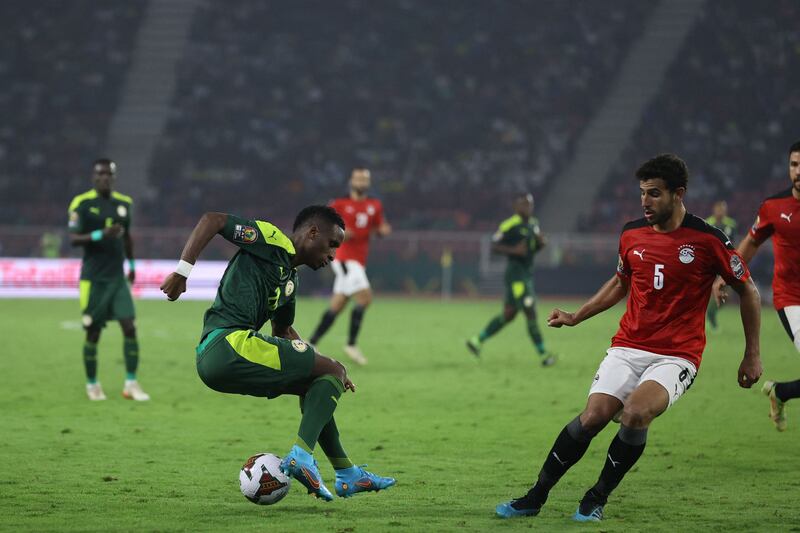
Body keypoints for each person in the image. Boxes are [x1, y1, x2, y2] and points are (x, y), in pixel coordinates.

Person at [496, 154, 762, 521]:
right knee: (593, 417)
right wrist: (576, 317)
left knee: (635, 413)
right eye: (642, 193)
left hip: (677, 355)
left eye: (654, 194)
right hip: (627, 346)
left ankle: (596, 498)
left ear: (678, 194)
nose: (645, 202)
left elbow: (748, 290)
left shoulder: (708, 239)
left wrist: (752, 354)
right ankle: (535, 496)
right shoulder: (631, 233)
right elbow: (620, 282)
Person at [160, 206, 395, 500]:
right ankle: (301, 457)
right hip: (227, 344)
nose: (334, 255)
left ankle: (347, 473)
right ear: (312, 233)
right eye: (332, 244)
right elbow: (213, 220)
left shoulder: (290, 281)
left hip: (222, 360)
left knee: (318, 383)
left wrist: (325, 366)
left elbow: (283, 332)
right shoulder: (271, 240)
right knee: (332, 371)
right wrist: (183, 271)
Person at [714, 140, 800, 432]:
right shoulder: (774, 207)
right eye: (794, 165)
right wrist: (726, 277)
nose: (798, 171)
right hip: (792, 299)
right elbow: (750, 243)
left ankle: (781, 392)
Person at [67, 159, 149, 401]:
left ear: (114, 177)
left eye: (108, 174)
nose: (104, 178)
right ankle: (92, 384)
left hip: (117, 278)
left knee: (130, 328)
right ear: (93, 177)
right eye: (100, 174)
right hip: (93, 279)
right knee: (93, 333)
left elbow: (127, 238)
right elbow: (73, 239)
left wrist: (132, 265)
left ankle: (131, 384)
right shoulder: (81, 203)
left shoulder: (124, 204)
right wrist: (99, 234)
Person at [308, 168, 391, 365]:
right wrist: (340, 232)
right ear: (351, 181)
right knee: (365, 298)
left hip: (359, 260)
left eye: (365, 179)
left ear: (368, 183)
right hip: (344, 258)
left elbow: (380, 227)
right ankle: (351, 344)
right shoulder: (339, 204)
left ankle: (310, 343)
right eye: (358, 178)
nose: (361, 182)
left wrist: (383, 230)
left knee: (338, 305)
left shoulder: (374, 205)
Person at [466, 193, 555, 366]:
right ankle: (544, 355)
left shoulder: (533, 224)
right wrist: (514, 251)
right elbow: (494, 245)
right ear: (516, 207)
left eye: (530, 204)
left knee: (509, 315)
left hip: (526, 274)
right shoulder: (509, 225)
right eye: (524, 204)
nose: (528, 207)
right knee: (530, 311)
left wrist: (540, 244)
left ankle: (476, 341)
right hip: (517, 278)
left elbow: (532, 248)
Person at [704, 200, 737, 330]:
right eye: (719, 209)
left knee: (726, 294)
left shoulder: (732, 224)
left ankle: (711, 314)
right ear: (714, 210)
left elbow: (735, 243)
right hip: (710, 263)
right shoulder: (707, 223)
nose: (721, 211)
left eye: (723, 209)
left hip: (726, 263)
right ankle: (703, 318)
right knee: (704, 292)